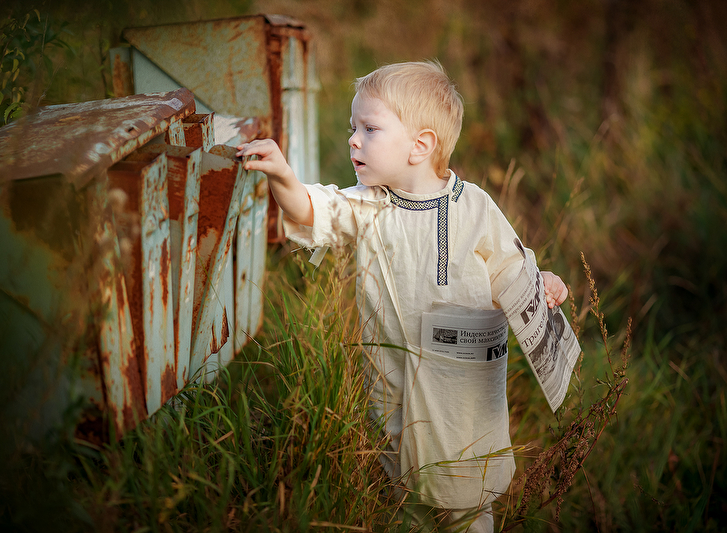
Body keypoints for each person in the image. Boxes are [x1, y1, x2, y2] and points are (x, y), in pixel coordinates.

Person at [237, 60, 568, 532]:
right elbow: (314, 209)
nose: (353, 139)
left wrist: (545, 281)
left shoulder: (473, 208)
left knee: (467, 500)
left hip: (462, 392)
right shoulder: (371, 205)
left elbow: (512, 270)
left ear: (421, 145)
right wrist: (282, 175)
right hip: (392, 387)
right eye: (353, 127)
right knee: (403, 497)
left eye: (369, 128)